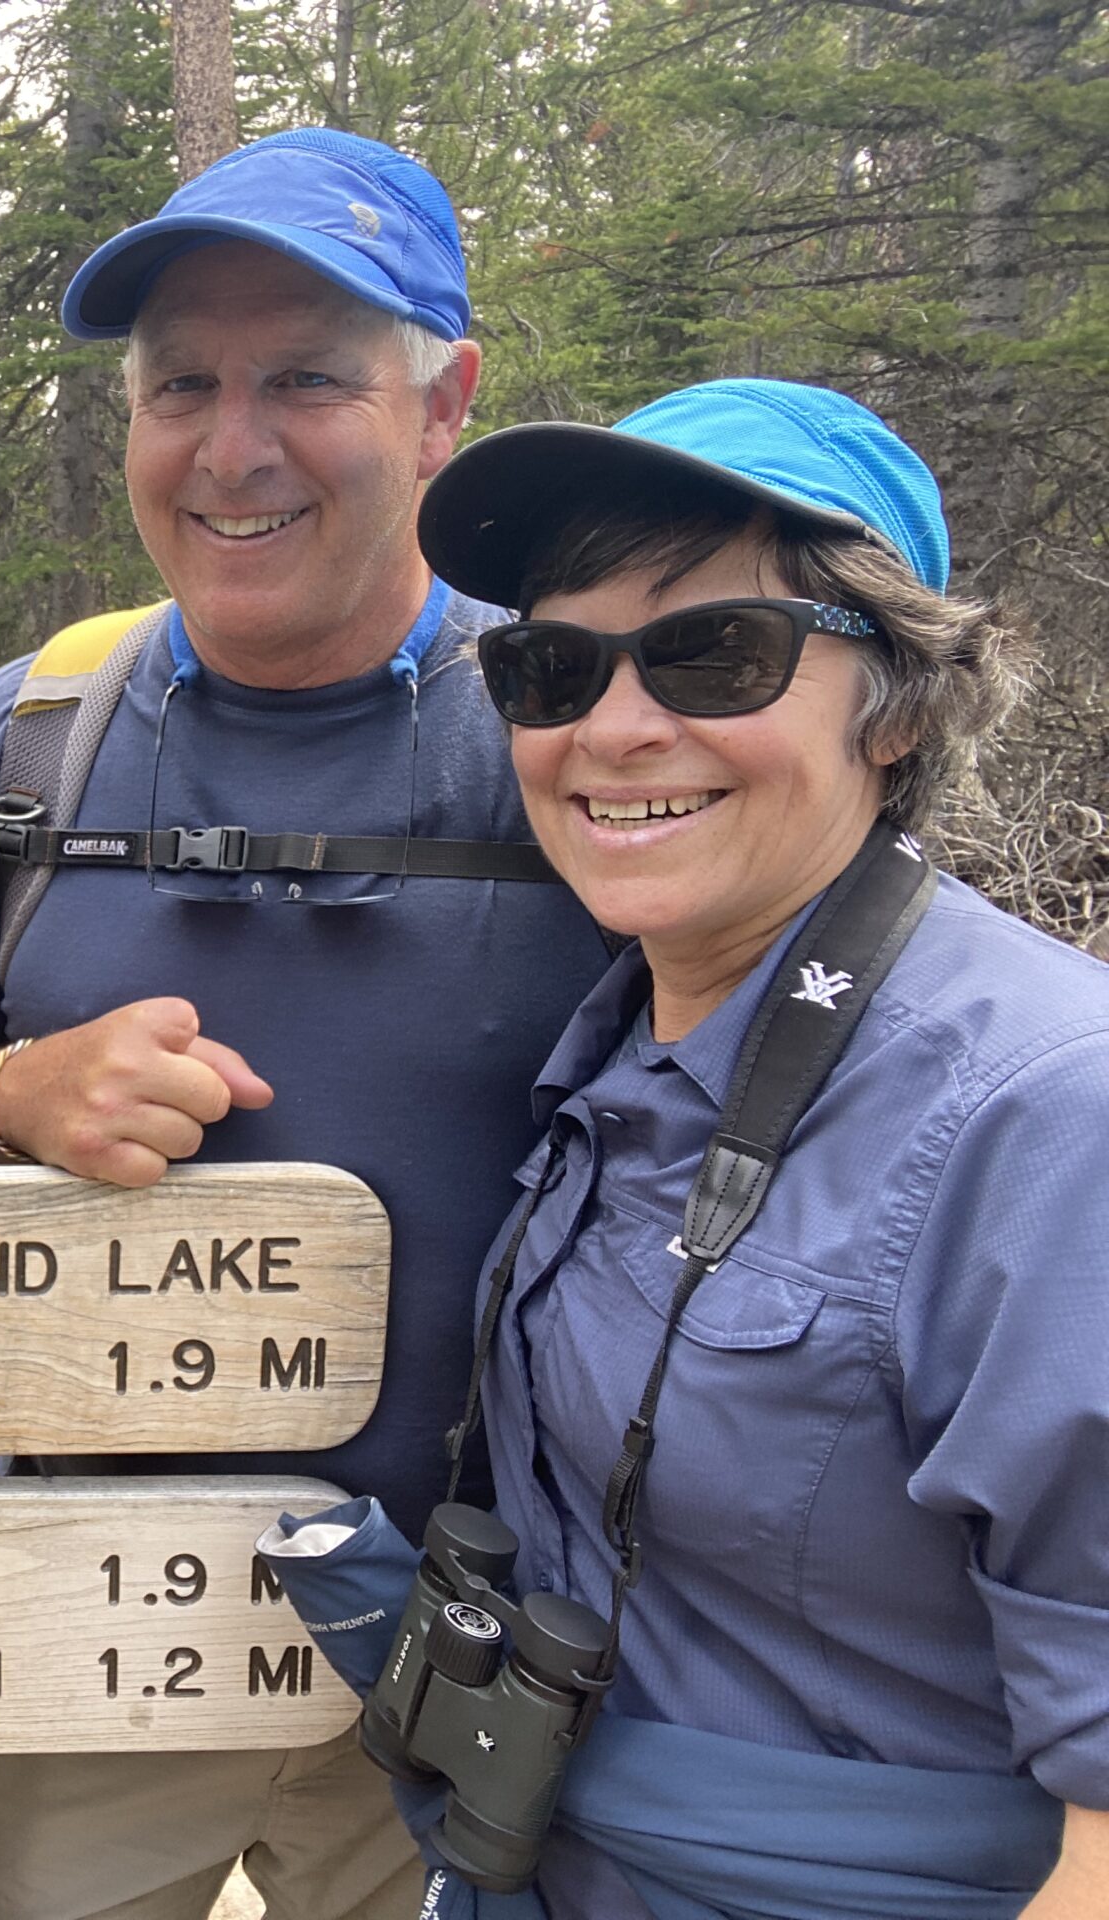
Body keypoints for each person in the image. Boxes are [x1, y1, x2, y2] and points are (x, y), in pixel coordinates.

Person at [0, 130, 609, 1920]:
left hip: (478, 1640)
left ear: (446, 408)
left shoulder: (581, 725)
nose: (233, 446)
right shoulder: (30, 735)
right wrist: (6, 1093)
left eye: (306, 379)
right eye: (180, 384)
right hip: (88, 1631)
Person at [402, 379, 1109, 1915]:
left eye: (716, 652)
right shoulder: (623, 1041)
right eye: (551, 666)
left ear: (906, 700)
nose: (616, 724)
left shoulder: (1049, 1118)